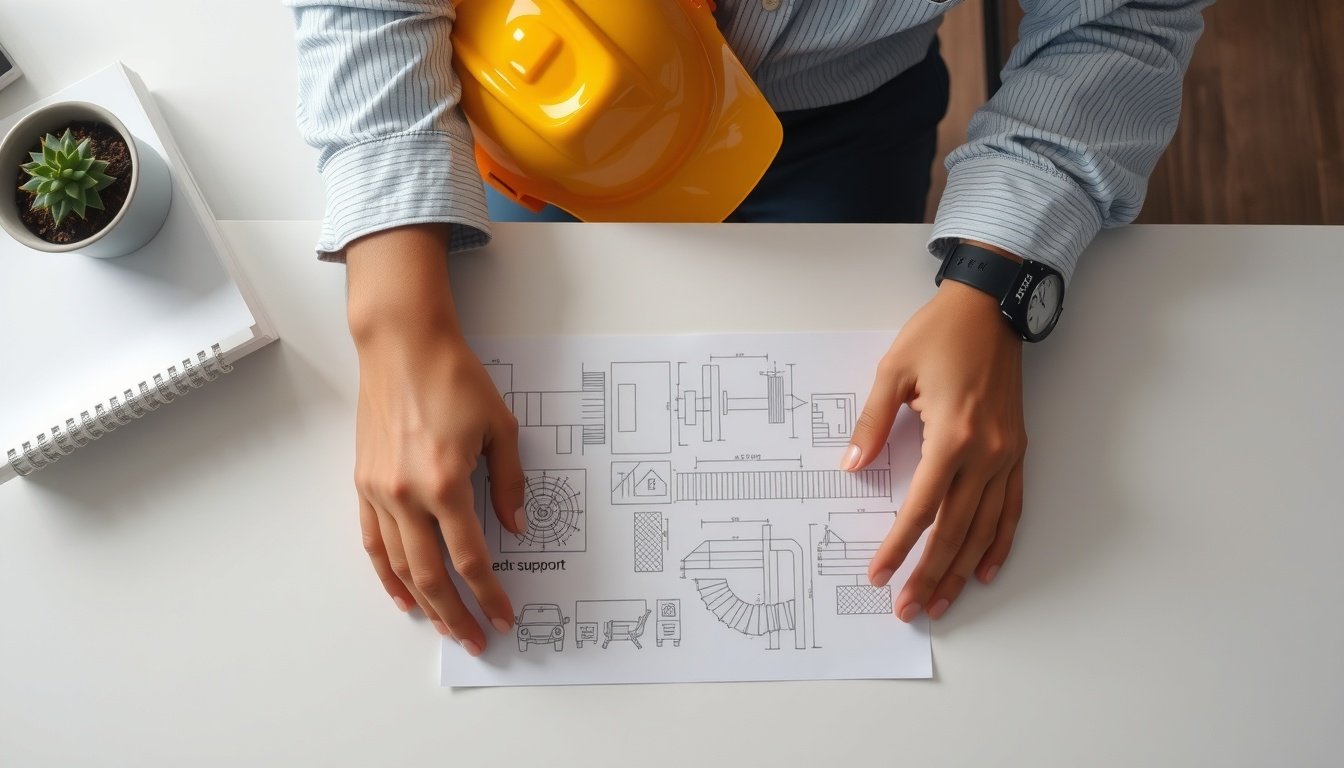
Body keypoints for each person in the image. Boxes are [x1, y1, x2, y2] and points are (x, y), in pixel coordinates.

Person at [288, 0, 1209, 656]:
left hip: (839, 111)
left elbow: (1118, 18)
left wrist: (997, 277)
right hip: (530, 89)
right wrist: (393, 316)